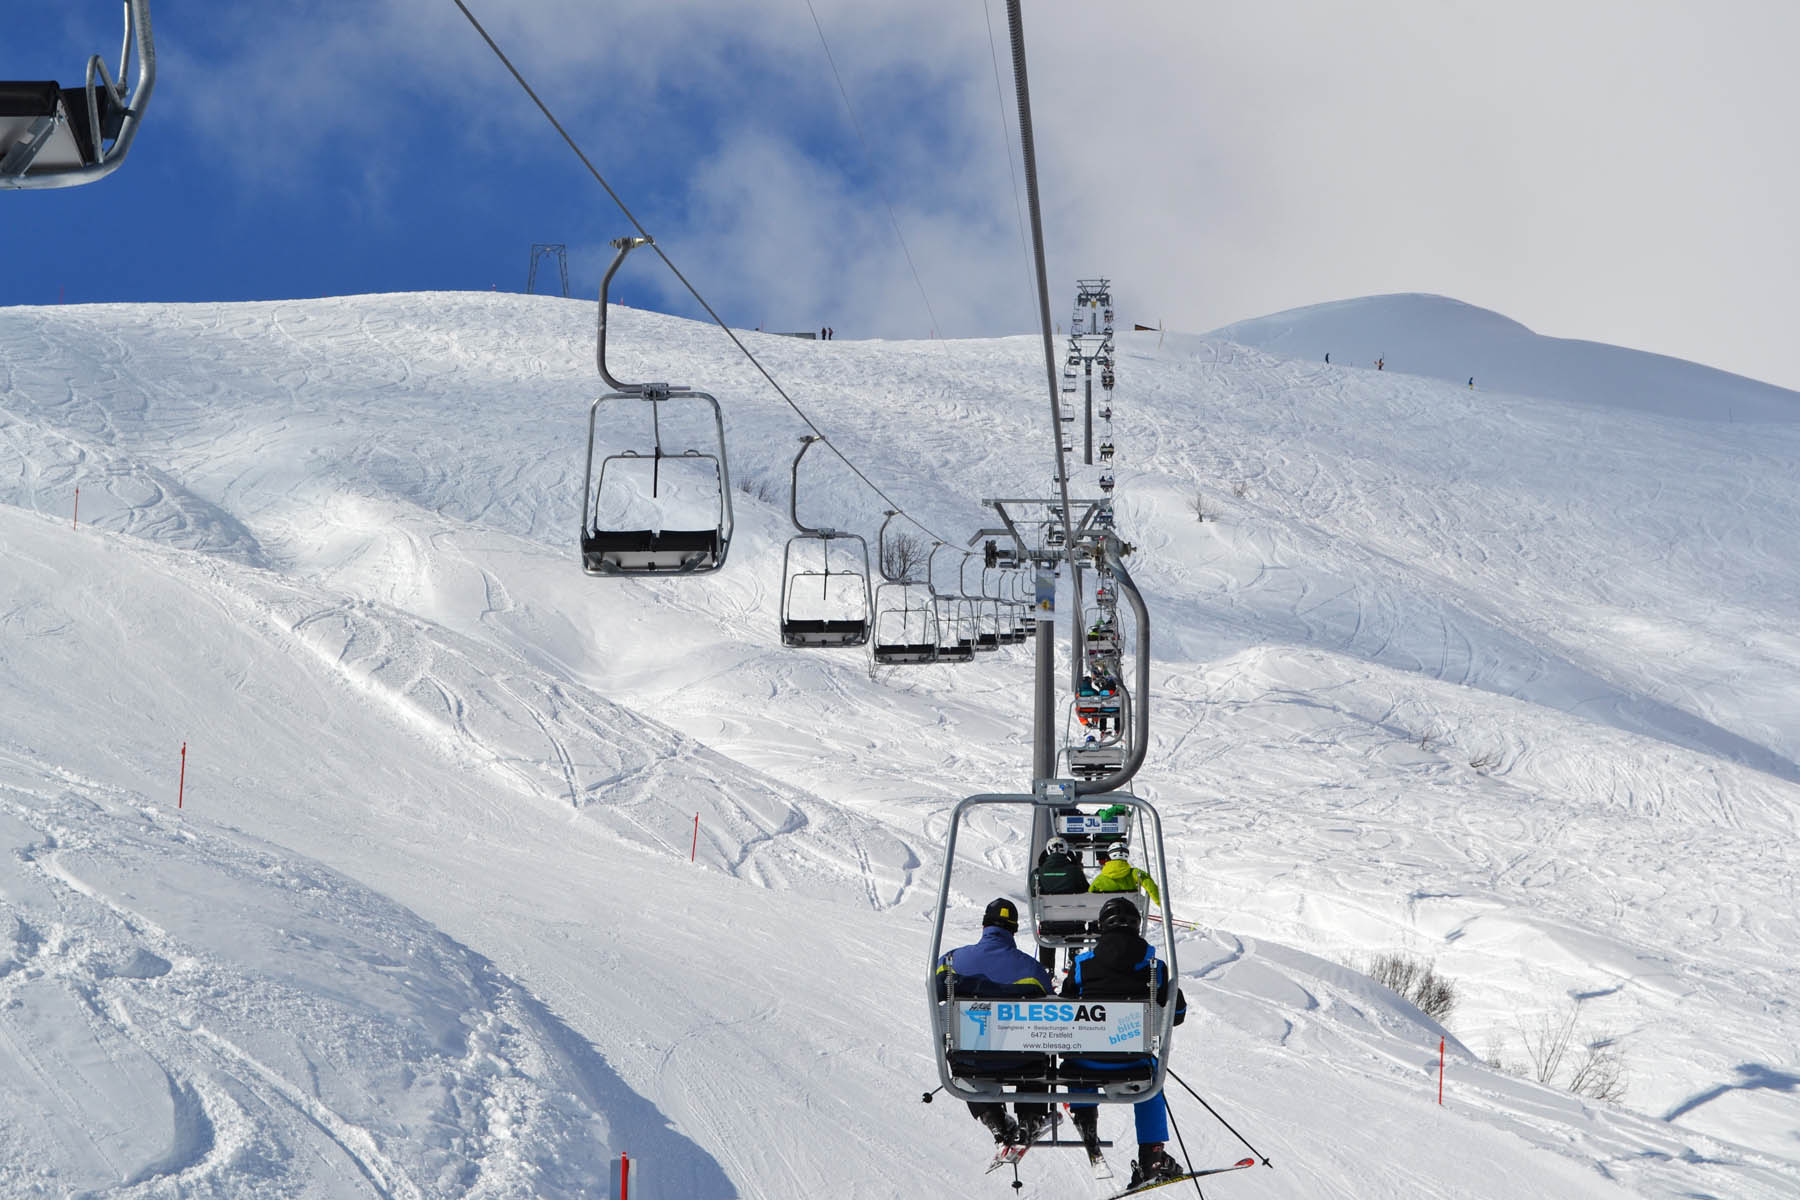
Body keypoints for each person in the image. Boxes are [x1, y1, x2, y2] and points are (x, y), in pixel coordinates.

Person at [1062, 897, 1188, 1185]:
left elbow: (1065, 1011)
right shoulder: (1155, 967)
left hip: (1085, 1064)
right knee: (1151, 1085)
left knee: (1075, 1061)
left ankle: (1088, 1134)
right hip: (1133, 1061)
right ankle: (1151, 1157)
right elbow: (1176, 1014)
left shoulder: (1082, 964)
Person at [934, 898, 1052, 1148]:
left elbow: (934, 991)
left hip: (970, 1059)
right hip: (1023, 1061)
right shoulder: (1033, 969)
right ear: (1013, 929)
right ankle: (1030, 1116)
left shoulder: (952, 961)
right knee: (1037, 1040)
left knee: (965, 1046)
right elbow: (1050, 1005)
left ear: (985, 925)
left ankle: (993, 1118)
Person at [1089, 849, 1161, 908]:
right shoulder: (1135, 873)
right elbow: (1151, 886)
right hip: (1131, 912)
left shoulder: (1100, 879)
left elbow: (1089, 896)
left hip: (1108, 914)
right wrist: (1161, 904)